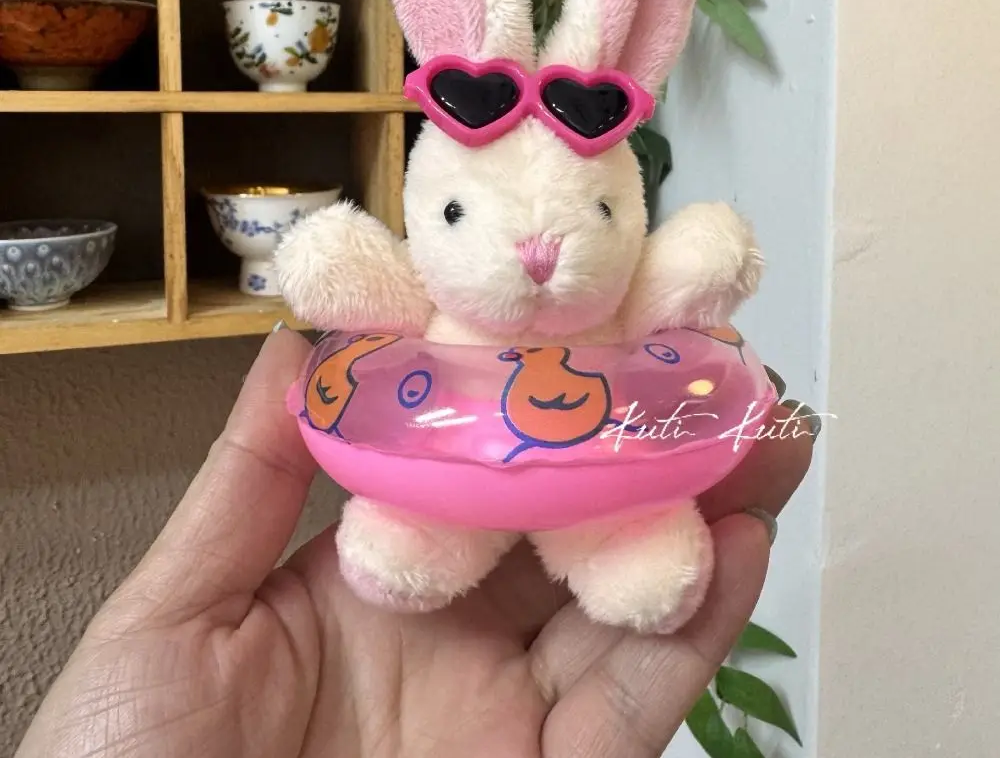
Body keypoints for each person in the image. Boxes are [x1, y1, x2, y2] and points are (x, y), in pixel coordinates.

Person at [16, 325, 814, 758]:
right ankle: (412, 546)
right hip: (424, 471)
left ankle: (633, 552)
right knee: (403, 546)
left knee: (655, 569)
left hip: (626, 460)